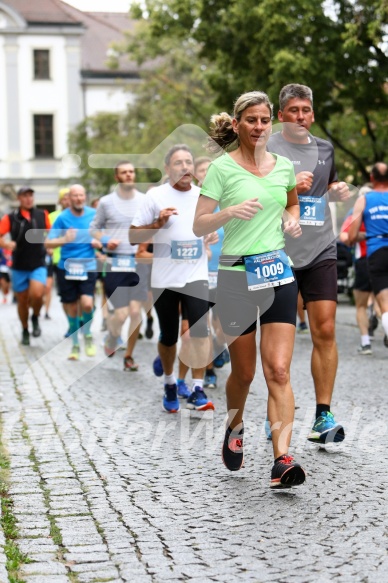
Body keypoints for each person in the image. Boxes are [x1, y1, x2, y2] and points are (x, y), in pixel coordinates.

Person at [193, 90, 306, 488]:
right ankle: (234, 425)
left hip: (277, 273)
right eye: (251, 120)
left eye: (264, 121)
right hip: (236, 277)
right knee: (243, 373)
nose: (259, 127)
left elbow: (292, 204)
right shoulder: (221, 170)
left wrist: (292, 220)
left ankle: (282, 460)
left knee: (277, 370)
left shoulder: (284, 166)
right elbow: (200, 224)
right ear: (238, 124)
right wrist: (228, 212)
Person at [267, 83, 351, 445]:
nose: (300, 116)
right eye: (293, 110)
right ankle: (277, 408)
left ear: (312, 114)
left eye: (306, 110)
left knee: (326, 330)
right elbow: (251, 193)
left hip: (320, 248)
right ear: (282, 115)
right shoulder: (266, 146)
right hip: (275, 249)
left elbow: (325, 187)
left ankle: (322, 414)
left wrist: (335, 191)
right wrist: (289, 190)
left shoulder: (326, 148)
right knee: (276, 341)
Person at [130, 144, 215, 413]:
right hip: (165, 278)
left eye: (188, 162)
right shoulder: (154, 196)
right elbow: (133, 237)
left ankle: (198, 388)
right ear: (167, 169)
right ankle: (169, 383)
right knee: (168, 335)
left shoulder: (205, 196)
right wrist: (157, 224)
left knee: (200, 331)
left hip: (196, 275)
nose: (185, 167)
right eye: (178, 163)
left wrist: (211, 234)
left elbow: (212, 227)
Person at [90, 160, 148, 371]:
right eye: (124, 172)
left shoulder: (144, 200)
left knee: (135, 313)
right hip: (115, 263)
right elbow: (94, 229)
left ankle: (129, 356)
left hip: (138, 262)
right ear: (117, 177)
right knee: (121, 314)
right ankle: (113, 335)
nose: (129, 175)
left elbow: (152, 227)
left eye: (131, 172)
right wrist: (105, 240)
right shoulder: (106, 202)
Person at [45, 184, 100, 360]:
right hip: (66, 267)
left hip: (88, 265)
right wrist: (65, 239)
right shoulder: (62, 218)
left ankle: (88, 335)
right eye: (75, 196)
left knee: (87, 304)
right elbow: (48, 243)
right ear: (69, 198)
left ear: (85, 197)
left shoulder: (94, 214)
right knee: (73, 308)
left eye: (81, 195)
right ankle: (75, 344)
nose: (78, 198)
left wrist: (99, 242)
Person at [0, 187, 50, 345]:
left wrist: (50, 245)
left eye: (31, 196)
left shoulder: (42, 215)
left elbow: (51, 234)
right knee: (22, 300)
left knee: (36, 295)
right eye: (25, 196)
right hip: (19, 265)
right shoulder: (10, 217)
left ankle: (35, 316)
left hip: (38, 263)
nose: (29, 199)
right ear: (19, 198)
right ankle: (25, 328)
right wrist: (6, 244)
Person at [348, 162, 388, 349]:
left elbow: (351, 235)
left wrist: (362, 235)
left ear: (372, 178)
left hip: (376, 252)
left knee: (383, 303)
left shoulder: (364, 200)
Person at [340, 210, 372, 354]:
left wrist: (359, 237)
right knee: (383, 301)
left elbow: (345, 237)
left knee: (361, 306)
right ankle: (381, 318)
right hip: (384, 259)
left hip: (364, 260)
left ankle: (366, 343)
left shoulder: (356, 215)